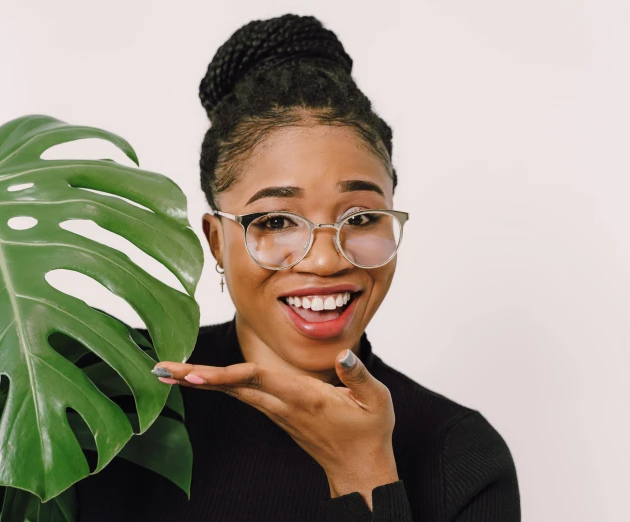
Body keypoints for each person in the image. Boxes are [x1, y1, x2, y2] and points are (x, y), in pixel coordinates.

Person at [76, 13, 521, 522]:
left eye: (361, 216)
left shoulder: (461, 456)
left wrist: (364, 471)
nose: (327, 259)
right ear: (217, 241)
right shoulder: (114, 402)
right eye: (276, 220)